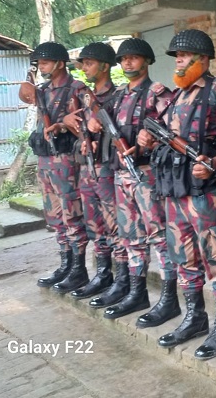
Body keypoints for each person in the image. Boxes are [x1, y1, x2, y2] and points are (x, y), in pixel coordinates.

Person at [137, 29, 216, 360]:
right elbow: (159, 135)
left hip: (205, 192)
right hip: (173, 191)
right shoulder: (173, 98)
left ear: (203, 59)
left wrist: (215, 162)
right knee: (184, 258)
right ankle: (195, 317)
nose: (179, 61)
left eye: (184, 56)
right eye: (177, 57)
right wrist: (147, 139)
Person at [87, 38, 180, 332]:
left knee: (160, 236)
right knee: (131, 237)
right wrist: (93, 122)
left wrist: (150, 138)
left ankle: (169, 297)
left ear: (147, 61)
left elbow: (174, 129)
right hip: (121, 175)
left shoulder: (157, 93)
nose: (128, 62)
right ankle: (137, 292)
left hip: (148, 174)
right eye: (124, 58)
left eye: (134, 57)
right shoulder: (116, 97)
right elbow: (98, 120)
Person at [61, 42, 122, 300]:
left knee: (115, 227)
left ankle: (123, 280)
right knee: (95, 225)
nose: (84, 68)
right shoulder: (86, 99)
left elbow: (123, 134)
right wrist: (82, 138)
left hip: (109, 170)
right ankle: (103, 274)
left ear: (105, 66)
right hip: (88, 170)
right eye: (83, 64)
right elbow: (80, 132)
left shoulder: (118, 97)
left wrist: (101, 136)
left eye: (89, 63)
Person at [29, 42, 90, 294]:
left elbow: (88, 125)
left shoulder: (77, 89)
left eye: (44, 62)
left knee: (71, 213)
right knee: (55, 216)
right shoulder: (42, 91)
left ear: (60, 63)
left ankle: (79, 268)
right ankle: (65, 263)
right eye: (39, 64)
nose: (40, 67)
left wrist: (64, 123)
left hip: (66, 160)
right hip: (45, 161)